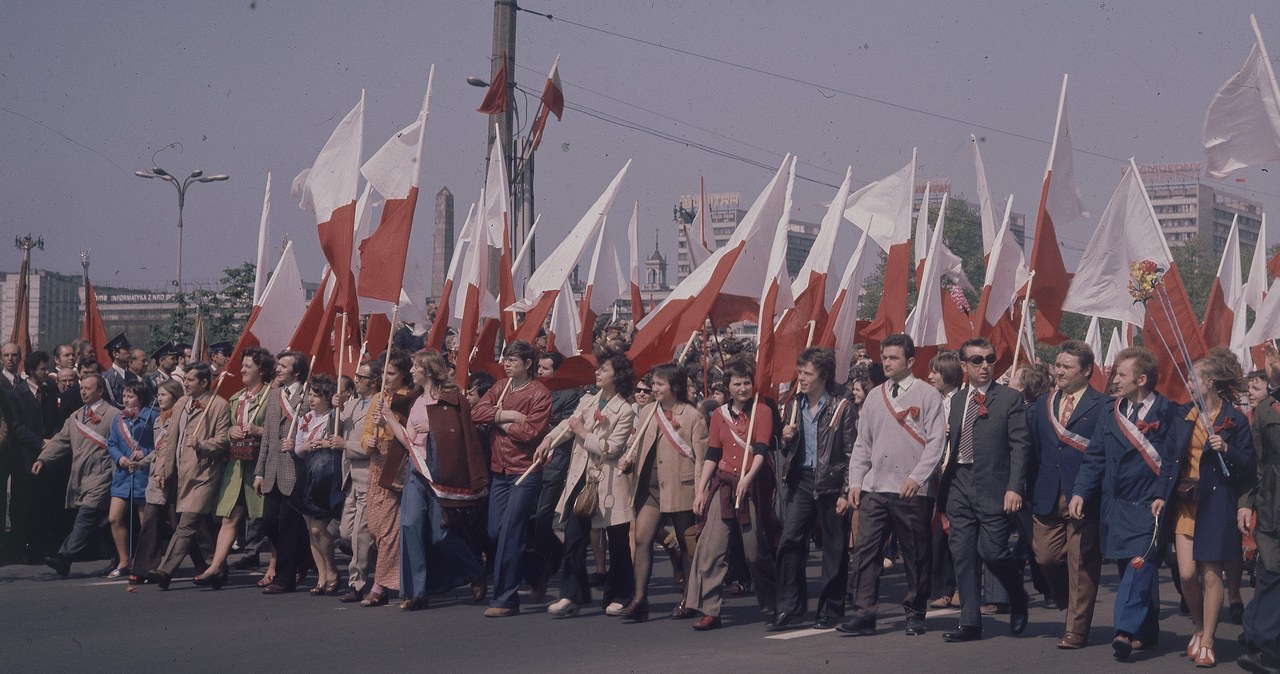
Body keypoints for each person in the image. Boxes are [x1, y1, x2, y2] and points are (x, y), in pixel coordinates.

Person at [1070, 346, 1191, 661]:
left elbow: (1173, 462)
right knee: (1130, 568)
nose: (1114, 380)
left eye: (1121, 375)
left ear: (1141, 379)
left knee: (1140, 565)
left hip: (1150, 504)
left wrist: (1163, 494)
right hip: (1117, 504)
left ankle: (1124, 631)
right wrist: (1081, 491)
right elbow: (1095, 455)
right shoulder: (1110, 411)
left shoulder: (1169, 412)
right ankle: (1147, 631)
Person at [837, 333, 944, 637]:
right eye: (884, 358)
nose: (886, 363)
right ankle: (864, 613)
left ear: (910, 361)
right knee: (865, 552)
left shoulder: (927, 395)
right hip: (876, 488)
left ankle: (915, 612)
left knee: (915, 554)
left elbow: (936, 443)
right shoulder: (874, 396)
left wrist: (917, 477)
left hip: (912, 490)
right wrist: (856, 481)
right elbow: (862, 444)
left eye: (893, 358)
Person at [938, 337, 1031, 643]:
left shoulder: (1009, 399)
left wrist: (1015, 487)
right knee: (962, 554)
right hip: (959, 484)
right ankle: (970, 622)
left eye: (989, 359)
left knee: (992, 551)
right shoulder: (954, 401)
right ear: (963, 365)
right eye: (976, 361)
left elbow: (1021, 446)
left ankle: (1017, 594)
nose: (985, 366)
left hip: (994, 486)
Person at [537, 351, 636, 618]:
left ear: (618, 375)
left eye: (603, 369)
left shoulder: (624, 410)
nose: (598, 373)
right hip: (580, 478)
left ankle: (620, 594)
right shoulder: (589, 399)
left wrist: (583, 432)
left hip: (608, 484)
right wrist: (549, 440)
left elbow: (612, 449)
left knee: (616, 542)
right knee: (574, 537)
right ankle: (572, 593)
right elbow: (567, 426)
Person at [1171, 352, 1254, 667]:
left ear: (1210, 382)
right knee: (1187, 574)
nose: (1189, 384)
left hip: (1217, 505)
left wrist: (1228, 448)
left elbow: (1248, 465)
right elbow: (1170, 461)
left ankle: (1208, 641)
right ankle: (1198, 625)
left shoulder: (1234, 418)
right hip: (1186, 504)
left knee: (1210, 575)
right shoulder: (1185, 415)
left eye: (1193, 378)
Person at [1027, 340, 1110, 650]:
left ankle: (1076, 629)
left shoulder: (1102, 405)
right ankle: (1066, 599)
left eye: (1066, 367)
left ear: (1086, 371)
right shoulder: (1041, 404)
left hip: (1084, 495)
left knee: (1081, 565)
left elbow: (1101, 454)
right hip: (1048, 493)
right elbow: (1034, 449)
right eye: (1057, 365)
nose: (1058, 371)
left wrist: (1088, 491)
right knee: (1045, 557)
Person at [684, 359, 778, 631]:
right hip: (723, 486)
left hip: (751, 487)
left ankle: (773, 603)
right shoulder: (718, 415)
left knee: (755, 552)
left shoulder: (762, 411)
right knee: (711, 549)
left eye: (747, 382)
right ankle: (710, 609)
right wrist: (701, 490)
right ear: (727, 387)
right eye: (737, 383)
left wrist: (748, 478)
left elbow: (761, 449)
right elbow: (713, 454)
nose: (743, 388)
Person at [770, 346, 856, 631]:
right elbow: (788, 448)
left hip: (832, 483)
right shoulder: (794, 404)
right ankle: (791, 608)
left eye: (808, 373)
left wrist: (846, 492)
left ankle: (830, 608)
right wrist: (786, 439)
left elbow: (851, 453)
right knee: (790, 542)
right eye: (800, 372)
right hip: (802, 481)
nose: (802, 378)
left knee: (834, 547)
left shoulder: (842, 407)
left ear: (823, 376)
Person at [395, 350, 489, 611]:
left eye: (416, 367)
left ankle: (475, 571)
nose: (411, 371)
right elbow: (408, 439)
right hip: (417, 471)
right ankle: (417, 591)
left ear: (429, 370)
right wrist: (390, 420)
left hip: (442, 475)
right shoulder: (415, 400)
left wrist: (434, 429)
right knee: (410, 525)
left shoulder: (453, 399)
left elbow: (461, 437)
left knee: (441, 536)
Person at [618, 363, 708, 622]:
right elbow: (639, 444)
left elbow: (701, 459)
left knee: (687, 543)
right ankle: (640, 599)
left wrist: (700, 491)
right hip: (651, 487)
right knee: (643, 539)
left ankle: (689, 599)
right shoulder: (648, 411)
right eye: (653, 384)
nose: (654, 389)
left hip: (683, 486)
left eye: (659, 384)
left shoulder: (692, 416)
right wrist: (629, 459)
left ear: (675, 387)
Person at [471, 340, 553, 618]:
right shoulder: (500, 387)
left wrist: (500, 424)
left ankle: (505, 598)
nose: (506, 365)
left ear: (528, 364)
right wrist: (506, 415)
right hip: (499, 469)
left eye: (513, 361)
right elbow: (476, 413)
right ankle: (535, 568)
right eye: (505, 360)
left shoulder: (540, 394)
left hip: (524, 471)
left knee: (508, 534)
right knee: (496, 532)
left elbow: (530, 432)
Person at [148, 362, 231, 589]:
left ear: (204, 382)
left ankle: (165, 571)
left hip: (203, 474)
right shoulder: (182, 403)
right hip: (179, 474)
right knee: (197, 526)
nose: (185, 383)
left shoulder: (219, 406)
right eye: (184, 379)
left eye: (190, 380)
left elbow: (224, 440)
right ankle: (215, 567)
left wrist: (203, 444)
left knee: (187, 523)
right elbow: (169, 440)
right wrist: (161, 470)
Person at [198, 347, 275, 587]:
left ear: (261, 370)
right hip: (237, 467)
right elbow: (229, 427)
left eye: (247, 366)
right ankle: (216, 566)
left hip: (261, 466)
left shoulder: (272, 396)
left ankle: (274, 568)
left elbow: (283, 430)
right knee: (229, 517)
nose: (241, 370)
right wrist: (230, 430)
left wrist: (260, 431)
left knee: (270, 521)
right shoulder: (236, 398)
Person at [33, 373, 120, 577]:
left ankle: (63, 556)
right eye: (81, 388)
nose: (83, 391)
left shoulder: (114, 414)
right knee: (105, 522)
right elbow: (60, 441)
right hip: (80, 477)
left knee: (86, 517)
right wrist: (42, 459)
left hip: (103, 476)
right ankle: (121, 558)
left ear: (100, 391)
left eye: (88, 388)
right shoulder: (75, 416)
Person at [253, 351, 312, 595]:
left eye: (284, 366)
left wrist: (299, 445)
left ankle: (284, 578)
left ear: (296, 372)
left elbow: (315, 428)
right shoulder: (275, 394)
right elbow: (267, 436)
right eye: (278, 364)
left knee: (288, 524)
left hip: (295, 469)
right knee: (269, 523)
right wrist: (259, 472)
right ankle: (305, 555)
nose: (278, 369)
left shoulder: (307, 395)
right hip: (273, 469)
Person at [359, 349, 414, 607]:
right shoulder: (379, 397)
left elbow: (407, 434)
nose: (386, 378)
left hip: (395, 464)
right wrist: (367, 440)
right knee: (375, 527)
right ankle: (396, 576)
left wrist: (388, 423)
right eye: (384, 373)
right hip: (375, 464)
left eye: (391, 374)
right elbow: (366, 431)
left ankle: (379, 586)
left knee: (389, 530)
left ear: (403, 375)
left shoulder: (408, 398)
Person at [531, 351, 582, 602]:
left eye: (545, 368)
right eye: (538, 367)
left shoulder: (570, 393)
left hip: (554, 462)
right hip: (528, 462)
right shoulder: (531, 389)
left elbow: (566, 428)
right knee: (531, 519)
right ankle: (555, 550)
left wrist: (539, 426)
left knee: (543, 517)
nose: (540, 372)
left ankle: (540, 574)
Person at [1241, 367, 1280, 672]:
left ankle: (1261, 636)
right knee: (1271, 571)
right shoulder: (1266, 411)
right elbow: (1257, 462)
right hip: (1271, 506)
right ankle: (1262, 639)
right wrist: (1246, 503)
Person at [130, 379, 185, 583]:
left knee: (182, 525)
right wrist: (142, 463)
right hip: (157, 479)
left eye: (163, 395)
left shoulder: (180, 419)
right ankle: (144, 568)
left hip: (174, 478)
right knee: (150, 521)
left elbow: (172, 450)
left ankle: (208, 564)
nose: (159, 398)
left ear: (175, 396)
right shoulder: (158, 421)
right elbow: (158, 451)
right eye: (158, 395)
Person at [335, 360, 380, 603]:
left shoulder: (379, 403)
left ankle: (357, 582)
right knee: (345, 532)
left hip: (367, 474)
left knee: (359, 535)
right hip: (350, 476)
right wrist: (337, 410)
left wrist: (346, 445)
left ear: (373, 381)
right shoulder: (351, 405)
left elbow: (371, 446)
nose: (357, 381)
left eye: (361, 377)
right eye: (356, 376)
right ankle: (383, 570)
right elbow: (339, 430)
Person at [295, 374, 344, 596]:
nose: (312, 399)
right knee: (309, 529)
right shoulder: (305, 418)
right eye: (310, 395)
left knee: (319, 527)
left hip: (327, 472)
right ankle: (322, 576)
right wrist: (307, 446)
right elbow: (297, 448)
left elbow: (338, 440)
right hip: (309, 471)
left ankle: (332, 570)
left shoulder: (334, 417)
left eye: (317, 395)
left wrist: (324, 442)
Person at [105, 380, 157, 578]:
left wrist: (144, 453)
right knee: (114, 517)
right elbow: (111, 443)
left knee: (145, 523)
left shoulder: (152, 416)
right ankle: (124, 560)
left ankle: (144, 563)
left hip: (144, 474)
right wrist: (120, 458)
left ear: (141, 398)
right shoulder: (119, 418)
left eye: (130, 396)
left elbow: (159, 444)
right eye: (124, 396)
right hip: (123, 474)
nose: (126, 399)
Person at [925, 351, 963, 610]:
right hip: (935, 473)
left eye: (935, 372)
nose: (930, 377)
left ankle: (963, 586)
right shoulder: (932, 401)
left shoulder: (961, 400)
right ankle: (942, 587)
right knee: (938, 534)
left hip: (957, 472)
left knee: (957, 533)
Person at [101, 333, 136, 409]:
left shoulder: (133, 376)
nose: (129, 352)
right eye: (126, 349)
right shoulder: (106, 378)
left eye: (129, 349)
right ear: (115, 354)